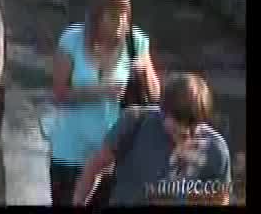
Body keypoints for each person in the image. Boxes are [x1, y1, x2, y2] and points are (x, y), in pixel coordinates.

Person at [49, 0, 160, 206]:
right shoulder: (72, 40)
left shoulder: (135, 42)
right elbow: (59, 94)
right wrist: (101, 91)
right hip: (71, 153)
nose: (120, 24)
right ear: (96, 18)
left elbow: (155, 96)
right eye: (112, 17)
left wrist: (144, 73)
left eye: (124, 17)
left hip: (114, 155)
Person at [73, 73, 232, 206]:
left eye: (193, 124)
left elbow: (220, 198)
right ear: (163, 111)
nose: (186, 132)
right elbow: (95, 167)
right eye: (179, 122)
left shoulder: (216, 149)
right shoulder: (135, 121)